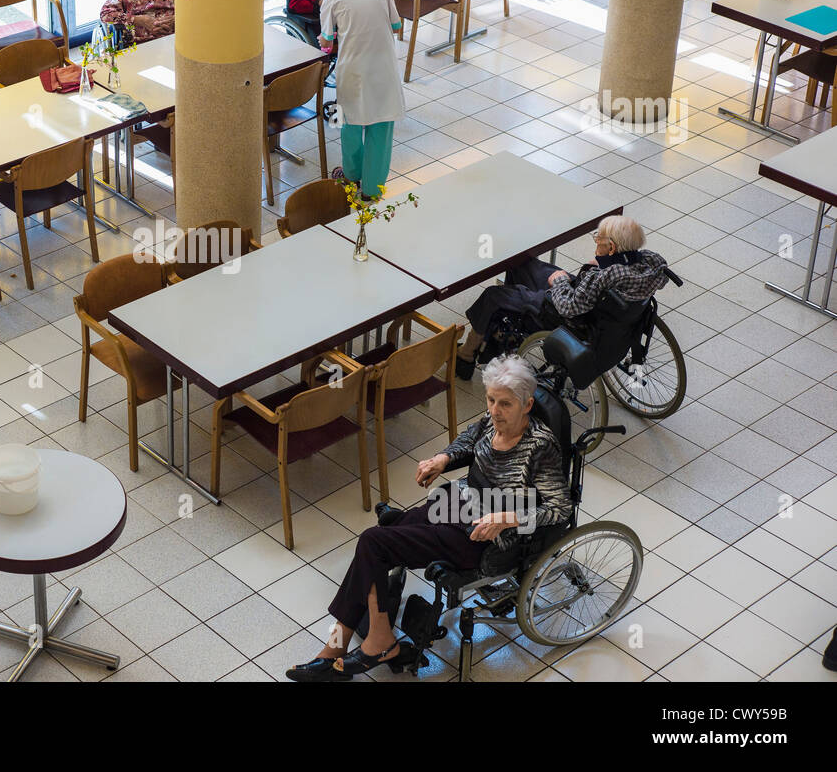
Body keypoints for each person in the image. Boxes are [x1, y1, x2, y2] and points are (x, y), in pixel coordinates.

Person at [287, 354, 569, 681]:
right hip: (454, 505)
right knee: (381, 540)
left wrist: (508, 518)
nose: (494, 410)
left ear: (527, 404)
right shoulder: (493, 420)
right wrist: (443, 458)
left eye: (504, 404)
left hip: (481, 537)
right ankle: (337, 648)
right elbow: (469, 439)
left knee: (373, 542)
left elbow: (559, 507)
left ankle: (376, 642)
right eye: (491, 400)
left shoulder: (541, 446)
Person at [455, 215, 669, 380]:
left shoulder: (603, 278)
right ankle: (505, 334)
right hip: (604, 315)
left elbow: (568, 307)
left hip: (564, 315)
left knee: (493, 295)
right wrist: (605, 263)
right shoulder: (648, 269)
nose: (596, 242)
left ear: (611, 248)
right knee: (522, 262)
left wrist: (559, 282)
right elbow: (623, 268)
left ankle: (466, 356)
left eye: (599, 239)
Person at [319, 0, 405, 201]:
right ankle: (371, 190)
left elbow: (326, 43)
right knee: (381, 128)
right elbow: (396, 26)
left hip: (352, 73)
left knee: (349, 125)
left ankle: (351, 174)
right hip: (384, 71)